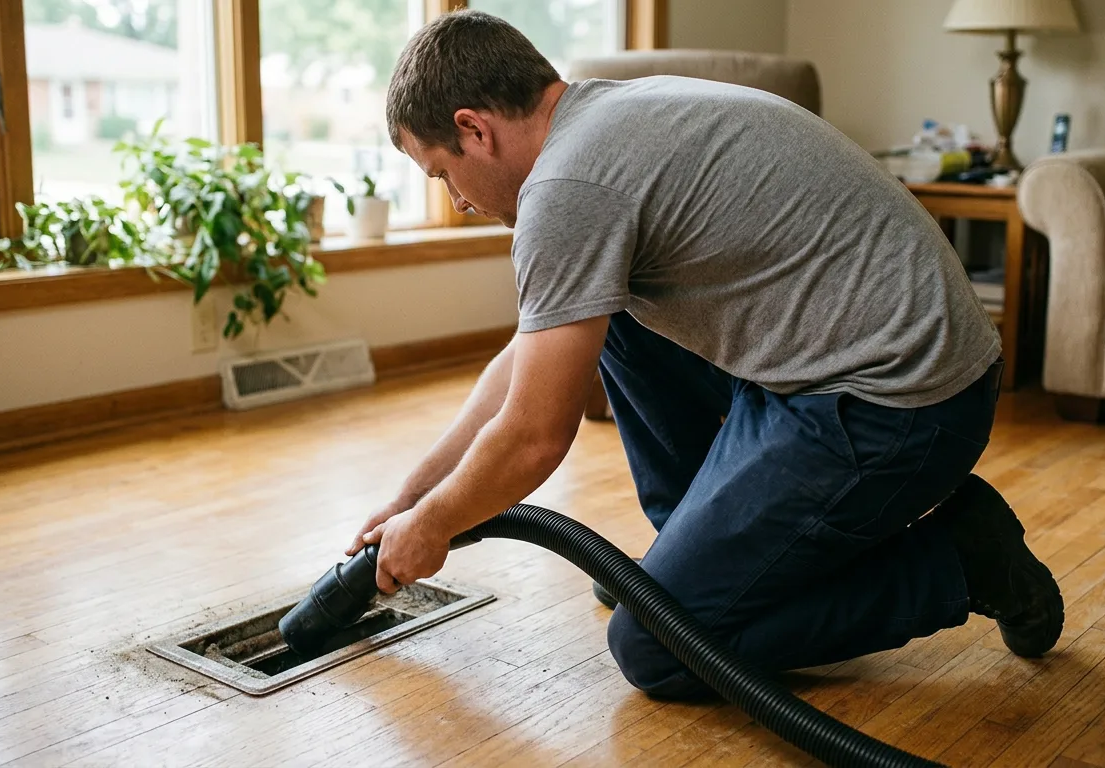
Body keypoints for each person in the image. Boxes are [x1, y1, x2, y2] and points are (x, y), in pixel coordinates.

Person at [347, 10, 1062, 700]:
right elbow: (524, 365)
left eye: (441, 174)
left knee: (655, 649)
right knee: (612, 318)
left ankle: (961, 561)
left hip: (897, 404)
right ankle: (695, 560)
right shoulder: (607, 116)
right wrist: (410, 501)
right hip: (851, 364)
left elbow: (534, 434)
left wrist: (435, 526)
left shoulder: (568, 190)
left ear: (474, 129)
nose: (457, 200)